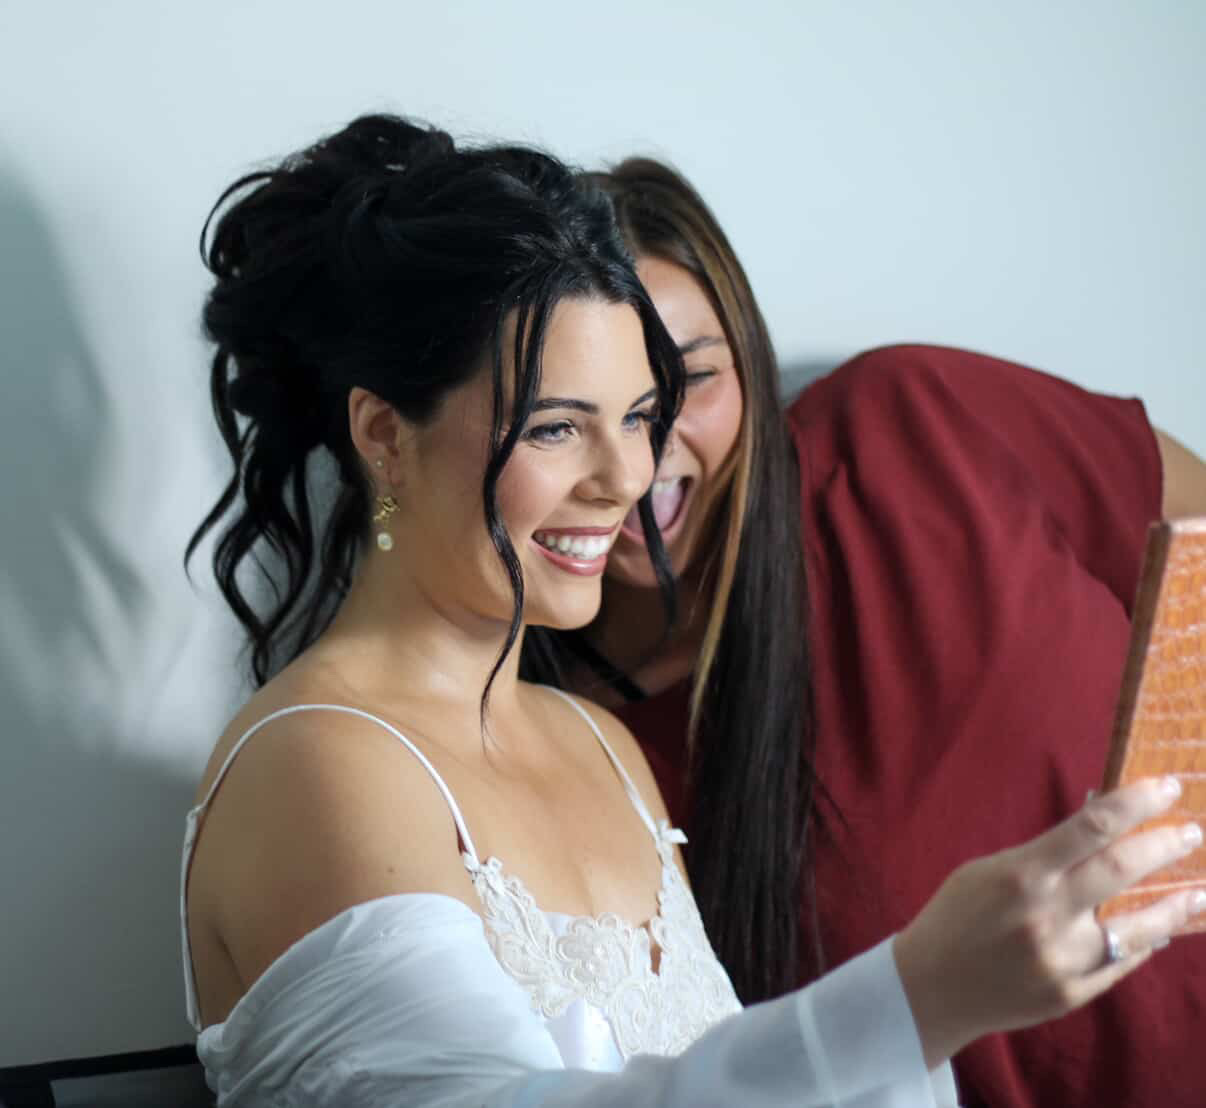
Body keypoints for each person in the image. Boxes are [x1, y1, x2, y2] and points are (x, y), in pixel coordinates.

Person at [181, 115, 1201, 1108]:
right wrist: (919, 992)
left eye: (640, 413)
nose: (628, 474)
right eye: (554, 427)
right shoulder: (317, 762)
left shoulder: (606, 748)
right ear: (385, 436)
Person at [524, 157, 1206, 1106]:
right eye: (582, 408)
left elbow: (1198, 553)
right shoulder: (580, 756)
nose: (642, 451)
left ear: (751, 367)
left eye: (690, 381)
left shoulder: (919, 424)